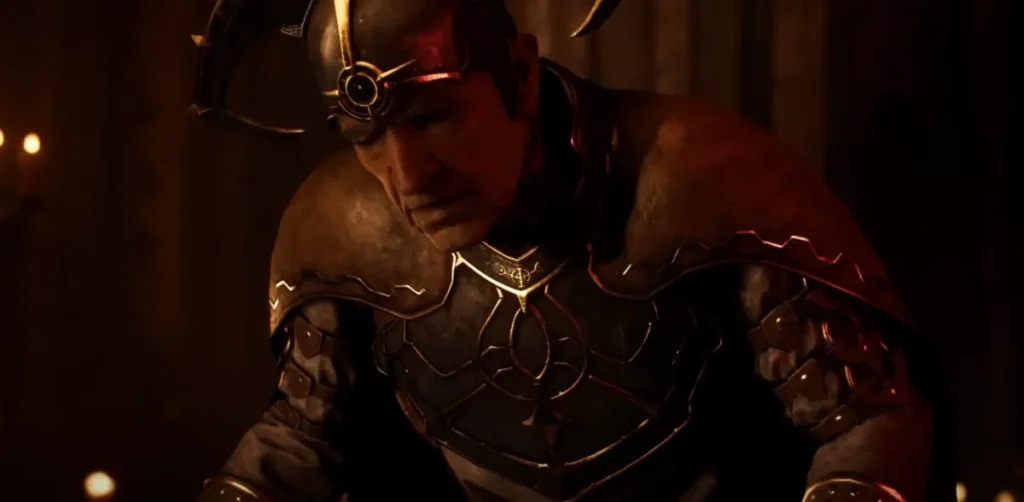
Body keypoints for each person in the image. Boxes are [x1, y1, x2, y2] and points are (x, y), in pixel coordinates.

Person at [193, 1, 947, 500]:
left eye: (432, 118)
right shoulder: (343, 226)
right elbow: (302, 439)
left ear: (520, 75)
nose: (407, 179)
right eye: (365, 137)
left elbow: (869, 423)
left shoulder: (704, 180)